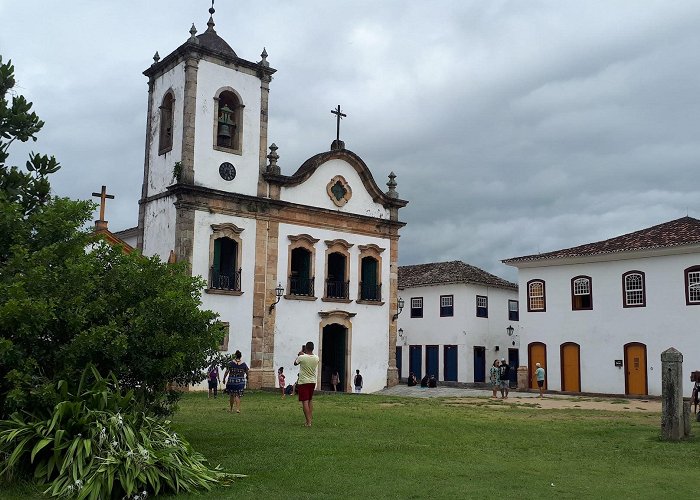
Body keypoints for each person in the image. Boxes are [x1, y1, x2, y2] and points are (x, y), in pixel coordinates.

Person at [294, 341, 319, 427]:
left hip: (304, 381)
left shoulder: (302, 357)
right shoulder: (316, 358)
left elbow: (295, 363)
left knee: (305, 401)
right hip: (312, 381)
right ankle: (309, 420)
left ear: (306, 348)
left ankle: (308, 422)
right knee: (310, 400)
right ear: (313, 348)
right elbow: (311, 359)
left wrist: (300, 354)